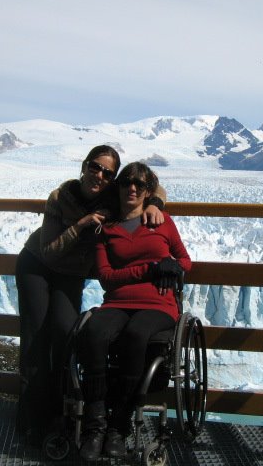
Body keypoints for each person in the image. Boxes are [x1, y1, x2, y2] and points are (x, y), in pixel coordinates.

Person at [15, 145, 166, 445]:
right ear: (84, 166)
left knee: (65, 333)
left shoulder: (110, 196)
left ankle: (60, 414)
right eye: (95, 167)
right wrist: (82, 224)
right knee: (36, 336)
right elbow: (50, 251)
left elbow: (154, 183)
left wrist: (156, 204)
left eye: (108, 173)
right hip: (37, 265)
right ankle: (31, 418)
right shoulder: (60, 197)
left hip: (70, 274)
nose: (99, 175)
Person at [76, 162, 192, 461]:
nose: (132, 188)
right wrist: (151, 268)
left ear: (147, 191)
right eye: (127, 182)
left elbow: (185, 260)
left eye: (139, 185)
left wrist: (174, 268)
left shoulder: (161, 221)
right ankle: (95, 425)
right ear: (119, 186)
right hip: (117, 302)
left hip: (159, 305)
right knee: (94, 332)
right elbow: (106, 276)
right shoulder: (107, 229)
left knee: (137, 334)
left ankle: (118, 425)